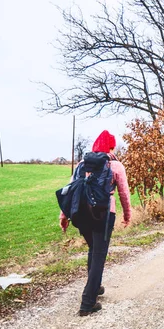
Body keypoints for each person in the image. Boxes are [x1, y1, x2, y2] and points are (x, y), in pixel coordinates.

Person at [59, 130, 132, 316]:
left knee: (93, 249)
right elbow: (123, 192)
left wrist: (63, 215)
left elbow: (70, 190)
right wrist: (127, 215)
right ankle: (87, 303)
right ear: (111, 146)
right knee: (99, 254)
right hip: (104, 214)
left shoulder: (82, 164)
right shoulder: (115, 165)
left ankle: (96, 286)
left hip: (81, 213)